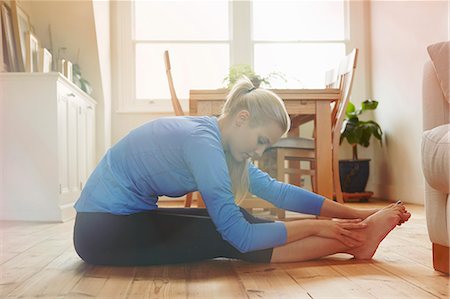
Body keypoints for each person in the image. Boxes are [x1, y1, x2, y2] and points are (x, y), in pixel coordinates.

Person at [73, 77, 411, 266]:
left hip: (125, 221)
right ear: (242, 118)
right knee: (229, 235)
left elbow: (279, 192)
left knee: (236, 219)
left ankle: (359, 237)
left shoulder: (216, 143)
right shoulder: (201, 144)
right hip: (102, 234)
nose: (259, 152)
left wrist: (357, 214)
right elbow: (241, 238)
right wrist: (318, 225)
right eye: (262, 141)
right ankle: (355, 244)